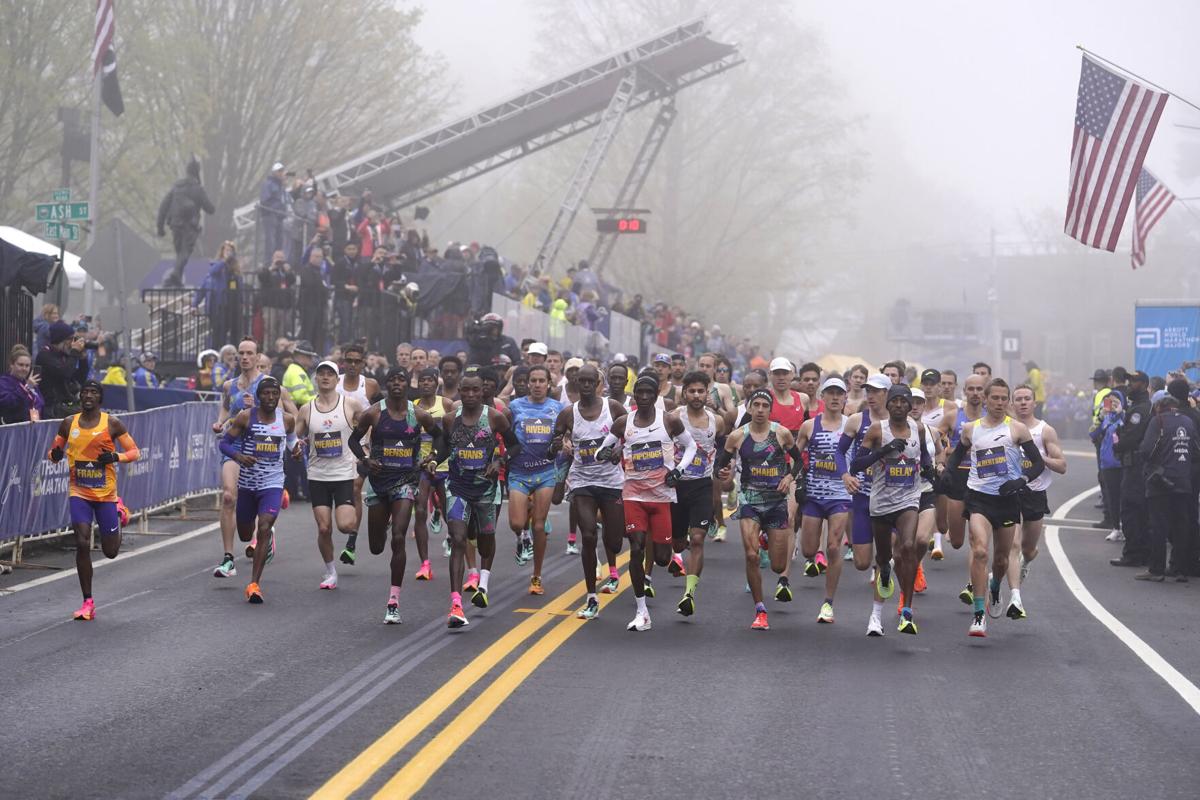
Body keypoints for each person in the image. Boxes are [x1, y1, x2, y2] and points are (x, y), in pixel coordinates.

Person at [942, 378, 1045, 637]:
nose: (999, 403)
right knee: (979, 551)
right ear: (985, 400)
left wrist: (1020, 480)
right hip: (979, 498)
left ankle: (996, 586)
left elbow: (1037, 463)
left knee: (1000, 559)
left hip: (1008, 500)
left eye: (1003, 398)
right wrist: (945, 474)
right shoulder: (970, 429)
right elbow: (955, 459)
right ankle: (978, 615)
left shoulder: (1018, 430)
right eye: (995, 398)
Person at [595, 373, 696, 633]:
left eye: (648, 393)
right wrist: (606, 452)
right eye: (638, 392)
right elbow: (601, 451)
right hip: (633, 495)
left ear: (655, 395)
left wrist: (679, 471)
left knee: (662, 559)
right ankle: (642, 611)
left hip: (662, 497)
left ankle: (660, 548)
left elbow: (691, 447)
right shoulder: (622, 423)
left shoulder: (669, 421)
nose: (643, 397)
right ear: (634, 395)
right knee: (637, 548)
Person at [349, 367, 443, 624]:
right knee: (377, 547)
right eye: (393, 380)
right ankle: (385, 521)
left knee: (399, 537)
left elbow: (440, 438)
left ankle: (393, 601)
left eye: (401, 379)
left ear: (406, 384)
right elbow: (353, 441)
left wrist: (431, 458)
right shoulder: (374, 413)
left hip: (406, 482)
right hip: (379, 484)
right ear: (387, 384)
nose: (397, 383)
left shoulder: (419, 415)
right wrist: (366, 460)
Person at [45, 381, 140, 619]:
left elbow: (134, 452)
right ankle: (87, 601)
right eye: (85, 392)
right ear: (80, 397)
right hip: (79, 492)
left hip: (106, 495)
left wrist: (115, 456)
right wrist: (54, 455)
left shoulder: (112, 423)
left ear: (100, 399)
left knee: (110, 552)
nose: (88, 395)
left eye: (93, 392)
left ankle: (119, 512)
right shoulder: (69, 423)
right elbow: (54, 452)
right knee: (81, 542)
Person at [715, 389, 803, 631]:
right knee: (751, 555)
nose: (761, 409)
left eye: (766, 405)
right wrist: (723, 474)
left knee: (776, 566)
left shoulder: (781, 434)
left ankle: (767, 540)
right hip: (750, 501)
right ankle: (760, 609)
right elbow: (721, 466)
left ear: (770, 409)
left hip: (776, 503)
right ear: (750, 408)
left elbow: (799, 461)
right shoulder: (737, 436)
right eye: (757, 405)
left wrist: (789, 476)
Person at [850, 384, 932, 635]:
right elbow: (856, 465)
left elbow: (926, 461)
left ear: (910, 406)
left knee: (908, 547)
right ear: (888, 405)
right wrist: (883, 451)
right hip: (881, 502)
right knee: (884, 557)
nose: (898, 405)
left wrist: (938, 478)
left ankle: (907, 612)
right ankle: (879, 598)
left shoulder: (918, 429)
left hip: (909, 499)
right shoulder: (877, 430)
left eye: (903, 401)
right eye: (894, 401)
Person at [442, 373, 519, 628]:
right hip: (457, 488)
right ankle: (455, 605)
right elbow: (444, 449)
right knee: (458, 539)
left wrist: (499, 461)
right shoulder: (450, 419)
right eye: (466, 391)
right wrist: (431, 459)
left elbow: (515, 446)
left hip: (486, 490)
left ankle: (484, 578)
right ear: (460, 393)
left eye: (476, 390)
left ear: (482, 391)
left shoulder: (495, 417)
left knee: (485, 542)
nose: (471, 395)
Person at [551, 364, 628, 619]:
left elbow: (631, 434)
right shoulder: (567, 413)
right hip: (582, 481)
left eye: (589, 381)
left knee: (615, 541)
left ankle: (612, 564)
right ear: (575, 382)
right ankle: (591, 596)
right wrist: (559, 445)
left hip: (611, 482)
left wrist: (619, 450)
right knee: (588, 535)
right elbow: (552, 445)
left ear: (597, 383)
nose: (584, 385)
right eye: (580, 381)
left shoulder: (613, 408)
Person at [218, 376, 297, 604]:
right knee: (245, 534)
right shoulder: (245, 417)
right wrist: (239, 456)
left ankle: (254, 584)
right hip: (248, 484)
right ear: (259, 396)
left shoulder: (287, 420)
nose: (271, 398)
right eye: (266, 394)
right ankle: (263, 535)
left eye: (274, 394)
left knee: (263, 527)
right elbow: (224, 443)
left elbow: (291, 442)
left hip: (272, 483)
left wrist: (296, 450)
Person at [295, 360, 363, 591]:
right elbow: (294, 437)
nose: (325, 377)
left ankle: (356, 517)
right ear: (316, 378)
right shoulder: (307, 409)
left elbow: (369, 422)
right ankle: (331, 571)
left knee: (345, 525)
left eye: (330, 374)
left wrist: (365, 447)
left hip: (343, 473)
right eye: (321, 374)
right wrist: (296, 446)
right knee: (324, 528)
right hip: (317, 476)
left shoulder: (350, 404)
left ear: (337, 380)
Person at [793, 376, 853, 624]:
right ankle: (812, 557)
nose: (835, 397)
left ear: (845, 397)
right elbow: (795, 456)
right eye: (831, 393)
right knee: (809, 549)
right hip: (814, 495)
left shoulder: (852, 425)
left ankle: (828, 603)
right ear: (822, 396)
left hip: (840, 494)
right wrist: (791, 479)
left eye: (840, 393)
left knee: (833, 546)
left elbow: (863, 453)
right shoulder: (809, 425)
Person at [1006, 384, 1067, 617]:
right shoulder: (1006, 428)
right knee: (1012, 545)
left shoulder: (1045, 431)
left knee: (1028, 549)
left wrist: (1038, 456)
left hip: (1035, 493)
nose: (1022, 402)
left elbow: (1062, 466)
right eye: (1018, 399)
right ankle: (1015, 598)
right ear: (1012, 403)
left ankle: (1026, 562)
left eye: (1027, 399)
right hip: (1011, 492)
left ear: (1034, 403)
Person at [673, 371, 725, 618]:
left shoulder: (717, 421)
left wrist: (724, 467)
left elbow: (725, 447)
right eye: (691, 391)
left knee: (697, 539)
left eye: (700, 391)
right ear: (684, 393)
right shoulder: (674, 418)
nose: (696, 395)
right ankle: (672, 553)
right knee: (676, 543)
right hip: (674, 487)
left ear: (707, 393)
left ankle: (689, 594)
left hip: (702, 486)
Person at [1136, 394, 1199, 582]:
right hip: (1183, 481)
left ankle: (1156, 570)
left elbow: (1147, 450)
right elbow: (1196, 450)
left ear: (1159, 407)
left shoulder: (1159, 421)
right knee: (1181, 526)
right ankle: (1179, 569)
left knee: (1158, 526)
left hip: (1160, 482)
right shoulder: (1188, 421)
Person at [1111, 371, 1152, 568]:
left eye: (1133, 381)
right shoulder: (1137, 406)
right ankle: (1140, 551)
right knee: (1138, 510)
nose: (1129, 384)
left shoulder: (1141, 409)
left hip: (1135, 465)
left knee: (1130, 509)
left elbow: (1131, 437)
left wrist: (1118, 444)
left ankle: (1134, 553)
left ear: (1144, 385)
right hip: (1135, 464)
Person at [157, 157, 215, 288]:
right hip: (190, 226)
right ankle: (174, 276)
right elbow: (210, 209)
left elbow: (163, 206)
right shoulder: (198, 189)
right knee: (184, 253)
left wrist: (160, 227)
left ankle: (176, 280)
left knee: (180, 254)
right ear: (196, 172)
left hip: (175, 225)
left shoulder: (176, 187)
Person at [192, 242, 244, 348]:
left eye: (231, 250)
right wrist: (194, 304)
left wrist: (242, 303)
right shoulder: (216, 267)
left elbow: (240, 288)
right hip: (218, 306)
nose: (229, 253)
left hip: (233, 307)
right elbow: (204, 286)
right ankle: (217, 354)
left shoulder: (235, 270)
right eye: (226, 250)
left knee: (235, 334)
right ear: (222, 252)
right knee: (218, 334)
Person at [35, 321, 90, 418]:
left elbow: (80, 379)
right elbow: (64, 373)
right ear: (60, 339)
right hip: (51, 408)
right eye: (70, 339)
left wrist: (83, 360)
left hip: (65, 406)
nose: (72, 343)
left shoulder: (63, 355)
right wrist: (74, 352)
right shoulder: (45, 355)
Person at [0, 345, 43, 424]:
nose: (24, 368)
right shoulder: (3, 382)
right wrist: (26, 388)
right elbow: (7, 403)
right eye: (20, 365)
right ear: (11, 364)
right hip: (14, 429)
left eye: (27, 366)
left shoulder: (30, 383)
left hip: (33, 428)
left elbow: (40, 403)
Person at [260, 162, 288, 260]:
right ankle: (268, 263)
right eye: (279, 171)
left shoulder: (281, 186)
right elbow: (264, 201)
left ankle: (278, 261)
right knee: (270, 241)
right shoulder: (268, 184)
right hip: (270, 216)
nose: (281, 173)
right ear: (274, 172)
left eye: (282, 171)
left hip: (279, 217)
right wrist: (276, 208)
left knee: (279, 241)